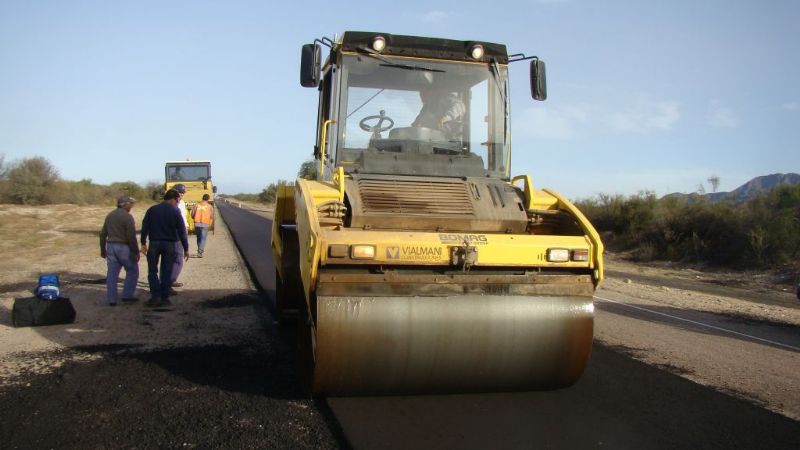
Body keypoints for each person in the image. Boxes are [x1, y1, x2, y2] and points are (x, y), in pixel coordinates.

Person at [140, 189, 189, 306]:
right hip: (169, 245)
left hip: (154, 243)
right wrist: (186, 248)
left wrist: (143, 243)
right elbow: (182, 231)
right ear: (173, 199)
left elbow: (144, 227)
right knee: (167, 271)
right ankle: (164, 298)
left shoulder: (152, 210)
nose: (178, 203)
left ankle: (155, 296)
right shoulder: (175, 211)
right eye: (177, 200)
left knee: (152, 270)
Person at [99, 195, 140, 306]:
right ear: (125, 204)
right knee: (132, 270)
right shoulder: (127, 217)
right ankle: (127, 295)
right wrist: (135, 251)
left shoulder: (110, 215)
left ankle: (111, 299)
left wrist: (103, 250)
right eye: (131, 203)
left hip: (111, 246)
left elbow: (103, 234)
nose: (132, 206)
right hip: (123, 247)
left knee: (112, 274)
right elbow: (131, 236)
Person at [170, 183, 189, 290]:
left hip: (179, 232)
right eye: (180, 193)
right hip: (176, 233)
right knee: (177, 258)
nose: (182, 195)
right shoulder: (174, 204)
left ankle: (168, 280)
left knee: (173, 258)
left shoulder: (181, 203)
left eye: (183, 193)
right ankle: (170, 281)